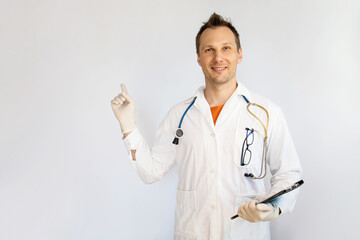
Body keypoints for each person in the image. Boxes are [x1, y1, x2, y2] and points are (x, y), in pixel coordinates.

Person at [111, 13, 302, 240]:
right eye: (209, 50)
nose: (218, 57)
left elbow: (289, 174)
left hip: (247, 234)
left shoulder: (266, 113)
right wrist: (128, 124)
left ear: (239, 54)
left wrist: (272, 208)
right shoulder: (179, 116)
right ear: (199, 58)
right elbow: (151, 171)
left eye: (226, 48)